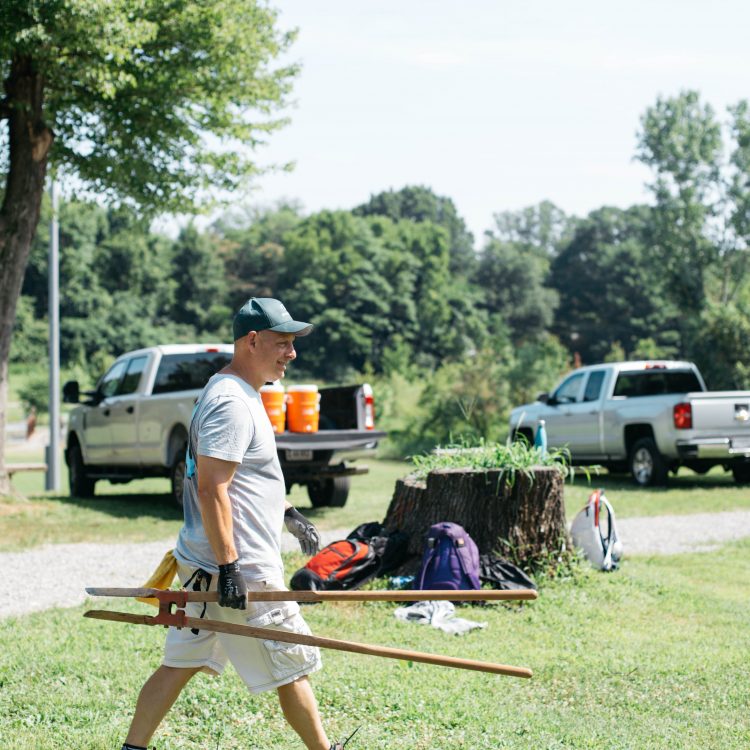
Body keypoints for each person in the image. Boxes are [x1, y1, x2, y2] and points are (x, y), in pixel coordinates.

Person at [122, 298, 353, 750]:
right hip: (239, 568)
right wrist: (230, 569)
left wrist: (287, 512)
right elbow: (212, 488)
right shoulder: (231, 402)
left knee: (180, 663)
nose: (292, 353)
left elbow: (243, 477)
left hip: (204, 562)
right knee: (292, 663)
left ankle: (133, 748)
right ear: (252, 341)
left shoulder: (239, 392)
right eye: (282, 343)